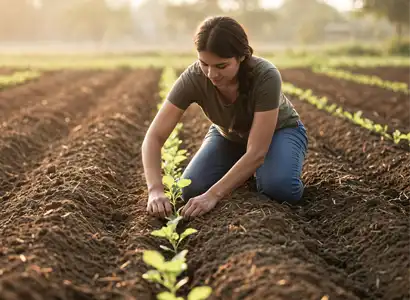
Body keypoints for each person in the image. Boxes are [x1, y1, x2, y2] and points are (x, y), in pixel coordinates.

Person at [141, 16, 308, 220]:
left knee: (279, 188)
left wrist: (213, 195)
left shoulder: (265, 76)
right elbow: (154, 136)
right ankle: (242, 172)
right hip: (229, 136)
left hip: (279, 132)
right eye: (204, 63)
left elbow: (256, 152)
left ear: (242, 57)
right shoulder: (194, 77)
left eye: (221, 66)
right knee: (191, 190)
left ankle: (270, 166)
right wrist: (155, 190)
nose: (211, 74)